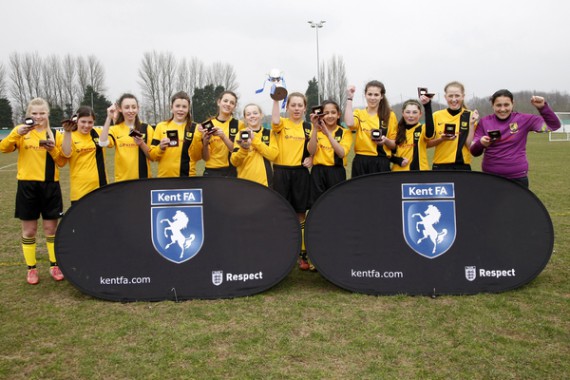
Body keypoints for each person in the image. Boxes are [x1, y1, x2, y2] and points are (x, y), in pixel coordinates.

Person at [0, 98, 66, 284]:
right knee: (29, 230)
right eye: (34, 113)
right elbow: (3, 149)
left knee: (51, 229)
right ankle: (31, 269)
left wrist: (52, 150)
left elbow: (62, 161)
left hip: (50, 185)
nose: (38, 117)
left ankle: (54, 265)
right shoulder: (21, 132)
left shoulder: (54, 134)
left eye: (42, 113)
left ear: (47, 114)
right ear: (29, 115)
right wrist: (15, 134)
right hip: (27, 186)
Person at [470, 90, 561, 188]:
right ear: (492, 105)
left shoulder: (524, 120)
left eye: (506, 105)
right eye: (498, 105)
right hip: (491, 177)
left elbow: (553, 125)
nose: (503, 109)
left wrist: (543, 107)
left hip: (518, 178)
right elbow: (474, 152)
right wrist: (481, 143)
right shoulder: (484, 122)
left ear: (512, 104)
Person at [271, 92, 313, 270]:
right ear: (287, 107)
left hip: (300, 173)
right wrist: (275, 99)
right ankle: (282, 253)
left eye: (300, 105)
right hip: (281, 172)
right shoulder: (281, 123)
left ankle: (303, 254)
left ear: (305, 107)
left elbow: (313, 148)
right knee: (281, 213)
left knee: (300, 214)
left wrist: (311, 157)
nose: (296, 108)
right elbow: (274, 120)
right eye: (293, 105)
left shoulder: (308, 127)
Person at [344, 80, 397, 177]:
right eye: (370, 94)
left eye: (376, 95)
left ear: (381, 96)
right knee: (360, 192)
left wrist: (385, 140)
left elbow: (394, 145)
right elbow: (349, 123)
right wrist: (349, 98)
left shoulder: (389, 115)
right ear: (365, 95)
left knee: (380, 192)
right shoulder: (359, 113)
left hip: (381, 161)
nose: (372, 98)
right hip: (361, 161)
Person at [99, 93, 153, 182]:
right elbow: (102, 143)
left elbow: (152, 156)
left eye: (133, 107)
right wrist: (109, 118)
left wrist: (142, 144)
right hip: (122, 183)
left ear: (138, 108)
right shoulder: (115, 129)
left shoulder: (147, 128)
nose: (131, 110)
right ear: (120, 109)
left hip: (144, 181)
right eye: (127, 107)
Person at [61, 106, 110, 202]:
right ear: (77, 120)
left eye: (90, 122)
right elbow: (66, 153)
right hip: (80, 193)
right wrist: (67, 132)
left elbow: (105, 142)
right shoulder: (69, 135)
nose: (87, 125)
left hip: (101, 189)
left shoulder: (98, 133)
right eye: (83, 121)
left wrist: (110, 117)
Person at [307, 100, 353, 203]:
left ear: (338, 115)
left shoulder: (345, 132)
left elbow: (341, 153)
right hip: (318, 173)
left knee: (336, 204)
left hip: (336, 172)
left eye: (333, 112)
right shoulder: (316, 131)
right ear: (322, 115)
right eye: (326, 113)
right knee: (318, 204)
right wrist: (315, 128)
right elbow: (311, 150)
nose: (330, 116)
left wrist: (328, 134)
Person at [190, 91, 244, 177]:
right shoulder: (207, 124)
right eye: (225, 101)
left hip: (231, 172)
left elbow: (238, 151)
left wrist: (223, 137)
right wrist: (205, 143)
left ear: (234, 107)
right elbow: (206, 158)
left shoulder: (239, 125)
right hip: (211, 172)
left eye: (232, 103)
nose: (228, 104)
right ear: (219, 102)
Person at [428, 81, 478, 170]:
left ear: (463, 96)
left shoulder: (470, 116)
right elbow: (427, 144)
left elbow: (470, 146)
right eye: (450, 96)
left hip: (462, 166)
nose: (454, 99)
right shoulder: (436, 116)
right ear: (445, 97)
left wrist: (471, 124)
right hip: (440, 166)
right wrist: (441, 139)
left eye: (457, 96)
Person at [149, 91, 198, 177]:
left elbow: (199, 156)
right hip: (165, 179)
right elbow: (152, 156)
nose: (181, 109)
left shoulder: (195, 128)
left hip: (188, 179)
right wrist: (160, 147)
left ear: (188, 109)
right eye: (177, 106)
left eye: (184, 107)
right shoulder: (161, 126)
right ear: (171, 108)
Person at [230, 104, 278, 186]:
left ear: (261, 115)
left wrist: (254, 140)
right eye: (248, 114)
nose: (252, 116)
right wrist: (244, 149)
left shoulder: (269, 133)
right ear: (245, 118)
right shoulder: (240, 134)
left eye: (255, 113)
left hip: (265, 184)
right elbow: (234, 162)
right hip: (245, 183)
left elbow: (273, 155)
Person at [388, 96, 435, 171]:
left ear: (420, 114)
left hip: (419, 173)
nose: (411, 115)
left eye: (415, 112)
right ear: (403, 113)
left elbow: (430, 133)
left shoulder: (422, 129)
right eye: (408, 112)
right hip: (398, 173)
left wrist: (427, 105)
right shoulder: (396, 130)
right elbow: (385, 152)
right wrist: (397, 160)